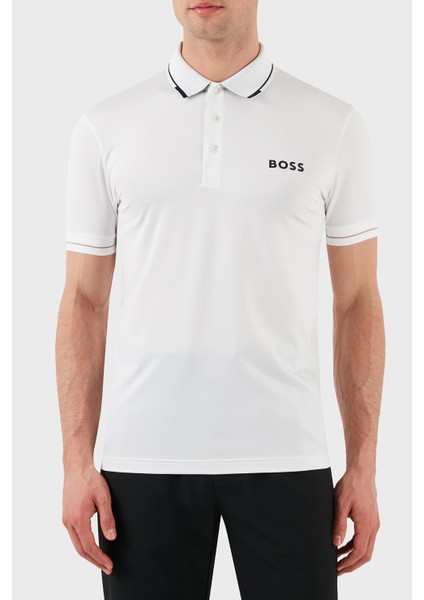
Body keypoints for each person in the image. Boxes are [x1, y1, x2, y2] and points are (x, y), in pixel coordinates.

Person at [55, 1, 385, 598]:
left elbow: (357, 299)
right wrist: (75, 461)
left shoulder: (332, 124)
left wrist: (363, 464)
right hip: (143, 460)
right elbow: (83, 300)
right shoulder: (105, 127)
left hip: (286, 454)